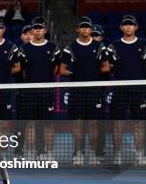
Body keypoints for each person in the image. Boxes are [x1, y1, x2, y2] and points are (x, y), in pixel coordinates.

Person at [59, 17, 109, 165]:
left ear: (91, 29)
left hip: (94, 91)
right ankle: (78, 153)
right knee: (78, 124)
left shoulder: (100, 46)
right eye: (82, 27)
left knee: (93, 123)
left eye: (88, 27)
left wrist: (94, 73)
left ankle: (93, 154)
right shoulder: (71, 47)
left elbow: (106, 67)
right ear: (78, 29)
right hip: (77, 91)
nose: (85, 29)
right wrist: (73, 74)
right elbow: (62, 70)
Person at [17, 16, 61, 160]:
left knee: (48, 124)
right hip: (29, 91)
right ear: (32, 31)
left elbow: (56, 69)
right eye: (35, 28)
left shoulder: (53, 48)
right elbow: (21, 70)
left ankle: (49, 153)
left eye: (40, 28)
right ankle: (31, 152)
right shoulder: (24, 48)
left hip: (47, 91)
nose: (37, 31)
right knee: (30, 123)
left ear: (45, 30)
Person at [107, 15, 146, 165]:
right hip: (120, 90)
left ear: (136, 27)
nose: (128, 27)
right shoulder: (114, 46)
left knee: (139, 124)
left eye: (131, 25)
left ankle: (139, 154)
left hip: (139, 90)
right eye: (126, 25)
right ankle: (117, 155)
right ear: (121, 28)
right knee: (118, 123)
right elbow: (107, 67)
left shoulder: (144, 45)